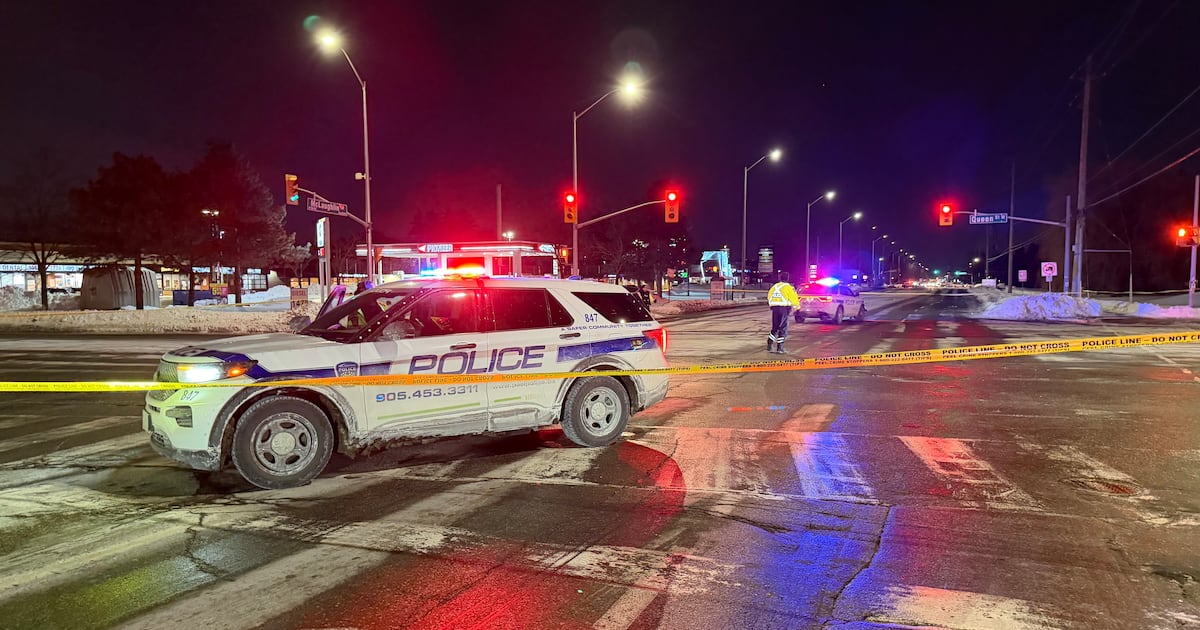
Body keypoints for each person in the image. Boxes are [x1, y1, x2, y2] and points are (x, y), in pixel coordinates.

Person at [767, 272, 800, 354]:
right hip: (784, 309)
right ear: (787, 278)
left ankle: (770, 344)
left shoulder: (774, 287)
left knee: (775, 327)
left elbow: (769, 296)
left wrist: (771, 305)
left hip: (775, 309)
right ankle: (780, 348)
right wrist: (797, 307)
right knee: (783, 328)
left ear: (780, 278)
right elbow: (794, 298)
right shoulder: (789, 287)